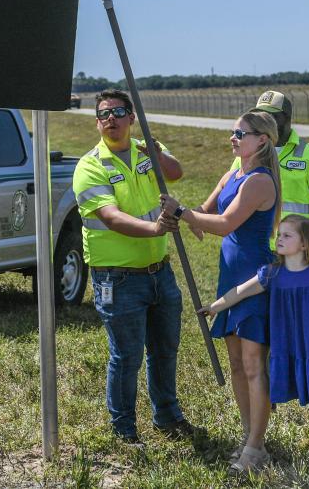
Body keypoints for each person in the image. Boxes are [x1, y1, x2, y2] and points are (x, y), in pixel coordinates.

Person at [72, 89, 195, 445]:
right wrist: (156, 228)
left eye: (119, 111)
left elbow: (176, 172)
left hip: (160, 271)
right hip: (118, 277)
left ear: (131, 118)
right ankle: (124, 429)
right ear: (97, 123)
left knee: (165, 348)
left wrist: (156, 151)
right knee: (126, 356)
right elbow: (111, 217)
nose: (111, 118)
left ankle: (168, 417)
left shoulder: (145, 150)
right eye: (104, 114)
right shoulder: (91, 166)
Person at [160, 110, 280, 472]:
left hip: (253, 279)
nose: (233, 138)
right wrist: (178, 216)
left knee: (253, 366)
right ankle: (248, 437)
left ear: (262, 140)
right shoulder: (233, 174)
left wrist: (184, 213)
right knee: (237, 367)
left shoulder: (260, 181)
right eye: (233, 132)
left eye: (240, 133)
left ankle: (256, 448)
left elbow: (225, 224)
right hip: (229, 276)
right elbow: (203, 213)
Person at [198, 215, 309, 470]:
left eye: (287, 235)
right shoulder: (273, 274)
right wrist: (215, 306)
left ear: (305, 244)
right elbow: (241, 290)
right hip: (299, 348)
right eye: (279, 234)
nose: (279, 239)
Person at [250, 91, 309, 281]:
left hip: (299, 255)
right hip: (257, 250)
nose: (264, 122)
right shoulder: (248, 154)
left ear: (287, 118)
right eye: (260, 116)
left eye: (271, 116)